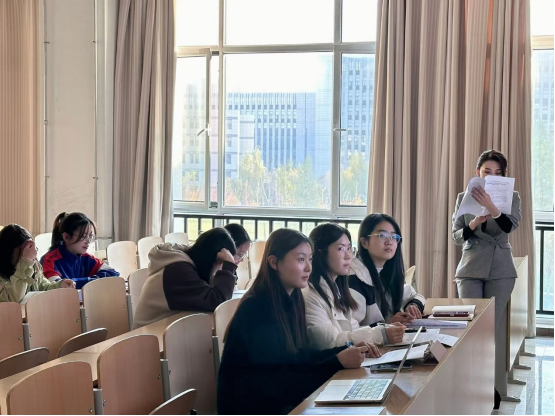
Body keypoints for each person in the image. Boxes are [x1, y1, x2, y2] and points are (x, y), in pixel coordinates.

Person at [218, 228, 371, 415]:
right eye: (300, 259)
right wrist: (336, 362)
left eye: (310, 259)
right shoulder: (258, 308)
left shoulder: (293, 297)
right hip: (255, 407)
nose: (308, 267)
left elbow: (298, 357)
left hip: (279, 401)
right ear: (274, 262)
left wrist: (342, 351)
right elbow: (278, 383)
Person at [452, 149, 521, 410]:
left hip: (501, 268)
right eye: (486, 171)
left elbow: (510, 226)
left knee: (489, 330)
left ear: (504, 176)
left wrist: (492, 208)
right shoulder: (463, 197)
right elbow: (456, 236)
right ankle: (470, 386)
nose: (492, 176)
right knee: (471, 329)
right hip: (470, 266)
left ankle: (486, 386)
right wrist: (473, 223)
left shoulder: (512, 196)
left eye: (498, 173)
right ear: (477, 173)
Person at [303, 223, 406, 350]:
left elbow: (353, 329)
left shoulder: (338, 288)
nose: (348, 256)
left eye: (349, 248)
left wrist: (384, 329)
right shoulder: (311, 294)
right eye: (341, 249)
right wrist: (381, 334)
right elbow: (330, 343)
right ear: (320, 252)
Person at [132, 227, 237, 329]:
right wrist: (229, 266)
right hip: (147, 335)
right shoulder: (178, 270)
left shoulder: (184, 265)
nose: (219, 269)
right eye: (221, 263)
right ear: (216, 259)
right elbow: (217, 302)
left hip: (162, 330)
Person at [349, 214, 425, 326]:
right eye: (382, 235)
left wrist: (413, 305)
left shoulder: (383, 274)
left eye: (394, 237)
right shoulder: (353, 278)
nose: (389, 241)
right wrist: (387, 325)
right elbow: (350, 330)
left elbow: (416, 296)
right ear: (364, 242)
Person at [41, 212, 119, 289]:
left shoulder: (87, 258)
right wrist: (94, 281)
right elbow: (58, 286)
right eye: (83, 236)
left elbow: (113, 274)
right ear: (66, 237)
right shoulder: (50, 260)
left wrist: (80, 282)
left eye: (91, 236)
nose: (88, 241)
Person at [1, 225, 75, 303]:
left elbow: (44, 287)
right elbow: (12, 300)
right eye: (23, 250)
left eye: (30, 247)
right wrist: (25, 262)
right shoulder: (23, 266)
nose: (28, 254)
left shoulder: (33, 267)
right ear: (8, 252)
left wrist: (59, 286)